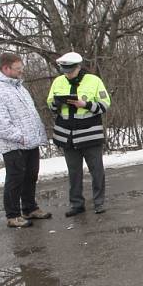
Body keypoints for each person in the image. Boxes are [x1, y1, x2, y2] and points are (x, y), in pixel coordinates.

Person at [0, 53, 51, 228]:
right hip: (13, 143)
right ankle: (12, 215)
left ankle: (30, 208)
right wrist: (19, 136)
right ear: (6, 68)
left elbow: (30, 114)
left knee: (31, 175)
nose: (21, 72)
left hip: (30, 141)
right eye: (18, 69)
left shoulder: (18, 87)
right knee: (15, 178)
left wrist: (37, 133)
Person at [46, 52, 111, 216]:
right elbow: (50, 104)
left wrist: (86, 104)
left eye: (70, 70)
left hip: (90, 134)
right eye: (64, 70)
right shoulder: (58, 82)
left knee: (97, 171)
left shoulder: (94, 81)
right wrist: (56, 103)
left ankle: (99, 203)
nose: (67, 74)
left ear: (78, 67)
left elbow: (105, 104)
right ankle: (77, 204)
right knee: (74, 172)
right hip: (67, 135)